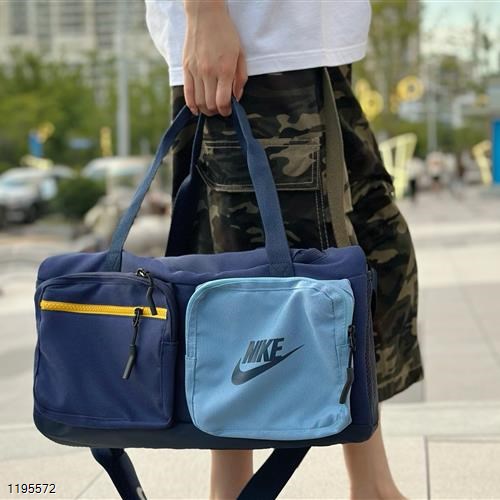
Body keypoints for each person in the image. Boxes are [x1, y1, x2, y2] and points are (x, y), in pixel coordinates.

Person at [145, 1, 423, 498]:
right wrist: (204, 13)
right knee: (257, 287)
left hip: (312, 44)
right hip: (254, 47)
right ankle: (234, 491)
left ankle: (371, 485)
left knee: (366, 258)